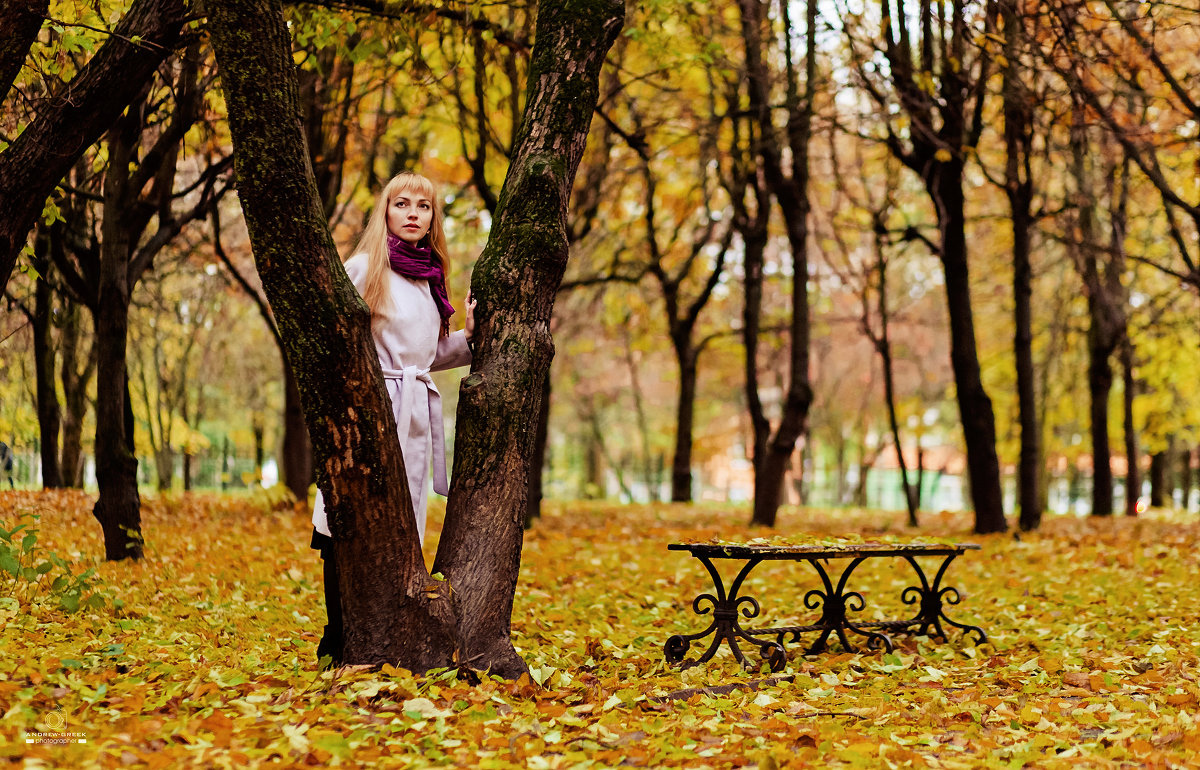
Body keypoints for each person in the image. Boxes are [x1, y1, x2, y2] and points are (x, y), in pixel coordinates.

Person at [310, 171, 476, 665]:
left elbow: (426, 356)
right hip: (370, 412)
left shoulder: (429, 280)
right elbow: (330, 328)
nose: (412, 214)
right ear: (385, 211)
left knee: (398, 531)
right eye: (401, 204)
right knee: (347, 524)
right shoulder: (365, 268)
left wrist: (472, 334)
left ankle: (382, 637)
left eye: (423, 207)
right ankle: (337, 637)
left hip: (415, 418)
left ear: (432, 219)